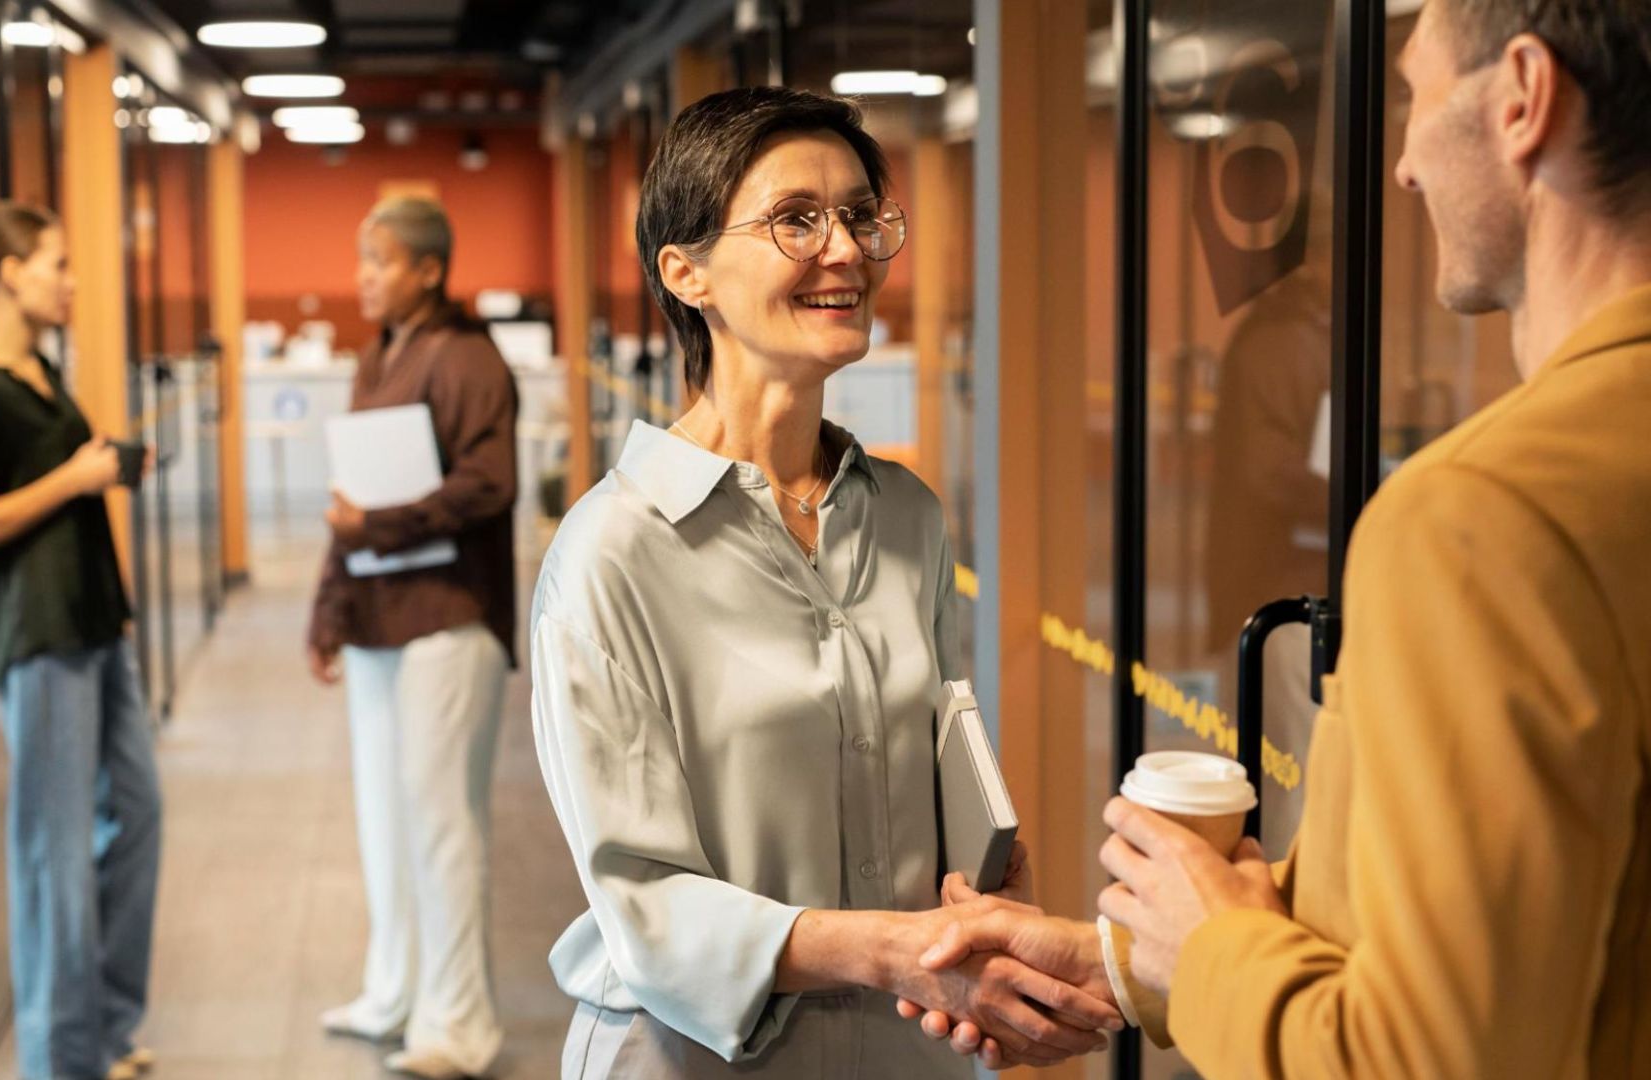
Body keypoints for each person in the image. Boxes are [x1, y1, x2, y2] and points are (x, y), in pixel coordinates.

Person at [909, 1, 1651, 1073]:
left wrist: (1212, 949)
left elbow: (1427, 1057)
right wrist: (1126, 965)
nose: (1402, 165)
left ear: (1524, 98)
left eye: (1415, 96)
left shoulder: (1484, 519)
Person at [528, 86, 1123, 1078]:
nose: (844, 251)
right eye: (796, 220)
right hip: (690, 1056)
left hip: (907, 1045)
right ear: (687, 271)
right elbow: (645, 909)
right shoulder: (611, 555)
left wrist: (984, 904)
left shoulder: (906, 517)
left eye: (859, 215)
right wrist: (899, 951)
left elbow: (936, 776)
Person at [0, 203, 160, 1080]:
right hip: (38, 636)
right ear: (6, 276)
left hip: (95, 621)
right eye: (56, 264)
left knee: (138, 814)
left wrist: (95, 470)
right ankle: (58, 1057)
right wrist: (75, 476)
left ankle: (103, 1026)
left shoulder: (39, 369)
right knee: (53, 854)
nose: (70, 281)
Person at [306, 196, 518, 1080]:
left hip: (447, 621)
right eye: (361, 259)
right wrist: (329, 610)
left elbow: (490, 484)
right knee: (383, 816)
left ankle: (459, 1026)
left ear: (430, 271)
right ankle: (393, 991)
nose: (364, 277)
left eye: (381, 261)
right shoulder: (378, 356)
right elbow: (347, 506)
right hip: (378, 621)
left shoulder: (467, 359)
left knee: (441, 825)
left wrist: (379, 525)